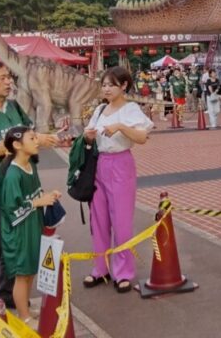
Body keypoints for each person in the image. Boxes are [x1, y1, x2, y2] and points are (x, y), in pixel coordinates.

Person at [0, 59, 59, 329]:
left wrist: (39, 137)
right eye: (2, 78)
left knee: (17, 245)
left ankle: (9, 295)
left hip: (24, 191)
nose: (9, 82)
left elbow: (28, 134)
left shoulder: (15, 107)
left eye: (10, 77)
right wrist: (36, 139)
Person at [82, 66, 152, 294]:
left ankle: (123, 272)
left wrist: (121, 126)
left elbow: (142, 137)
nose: (106, 89)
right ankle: (100, 268)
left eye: (111, 85)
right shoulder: (100, 109)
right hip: (99, 164)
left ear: (124, 86)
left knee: (121, 221)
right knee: (98, 220)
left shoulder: (130, 109)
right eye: (104, 85)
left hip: (121, 164)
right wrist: (87, 137)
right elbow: (89, 137)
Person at [0, 126, 61, 326]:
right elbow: (11, 210)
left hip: (33, 225)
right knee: (22, 274)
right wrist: (38, 202)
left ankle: (24, 307)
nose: (37, 141)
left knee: (31, 270)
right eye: (32, 138)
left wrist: (48, 196)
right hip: (20, 231)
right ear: (17, 145)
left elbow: (36, 193)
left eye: (36, 138)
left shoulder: (31, 166)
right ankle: (23, 314)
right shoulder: (13, 175)